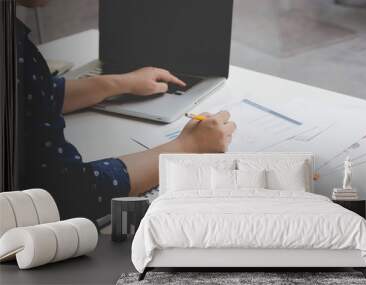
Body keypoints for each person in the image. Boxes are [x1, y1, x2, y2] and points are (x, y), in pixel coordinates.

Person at [16, 0, 236, 220]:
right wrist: (188, 147)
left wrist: (122, 83)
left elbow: (35, 94)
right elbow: (68, 193)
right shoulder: (15, 52)